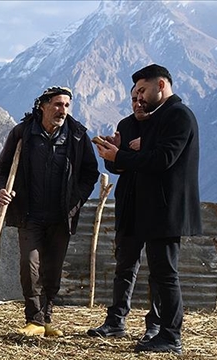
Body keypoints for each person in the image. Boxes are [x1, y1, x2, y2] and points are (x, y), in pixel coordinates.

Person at [94, 64, 201, 355]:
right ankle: (125, 323)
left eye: (142, 90)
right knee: (134, 267)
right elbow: (129, 161)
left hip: (164, 209)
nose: (138, 97)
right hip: (141, 208)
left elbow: (163, 158)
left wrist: (124, 154)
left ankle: (168, 335)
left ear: (161, 85)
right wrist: (116, 155)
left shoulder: (178, 116)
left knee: (165, 274)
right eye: (135, 93)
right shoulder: (146, 120)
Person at [0, 86, 99, 337]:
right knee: (29, 264)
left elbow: (90, 173)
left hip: (61, 215)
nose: (62, 110)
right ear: (43, 105)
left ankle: (47, 317)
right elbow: (3, 169)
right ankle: (34, 318)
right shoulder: (23, 133)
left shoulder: (76, 136)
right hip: (29, 213)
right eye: (57, 104)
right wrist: (1, 190)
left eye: (66, 106)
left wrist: (77, 200)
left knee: (53, 268)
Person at [87, 85, 161, 342]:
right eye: (133, 99)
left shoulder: (162, 127)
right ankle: (116, 320)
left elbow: (164, 161)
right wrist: (111, 153)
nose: (138, 103)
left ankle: (156, 325)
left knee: (159, 269)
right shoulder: (126, 125)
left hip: (155, 207)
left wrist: (141, 149)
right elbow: (117, 166)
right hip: (129, 204)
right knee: (125, 264)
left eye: (141, 98)